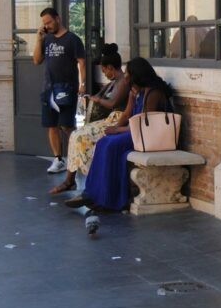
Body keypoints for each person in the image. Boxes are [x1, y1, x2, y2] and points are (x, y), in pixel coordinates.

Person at [64, 58, 173, 215]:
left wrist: (118, 131)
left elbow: (143, 124)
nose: (126, 77)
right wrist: (114, 127)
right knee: (102, 142)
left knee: (111, 146)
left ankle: (110, 200)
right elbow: (128, 114)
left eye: (128, 74)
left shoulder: (153, 93)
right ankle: (93, 194)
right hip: (136, 133)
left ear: (138, 75)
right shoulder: (135, 91)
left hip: (148, 136)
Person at [50, 43, 129, 195]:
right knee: (75, 135)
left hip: (117, 120)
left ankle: (90, 183)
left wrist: (98, 100)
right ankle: (70, 180)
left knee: (81, 138)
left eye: (104, 70)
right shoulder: (113, 83)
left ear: (111, 68)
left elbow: (113, 103)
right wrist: (99, 93)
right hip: (110, 119)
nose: (104, 73)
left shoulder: (124, 82)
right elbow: (100, 95)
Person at [32, 7, 86, 174]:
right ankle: (58, 159)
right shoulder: (46, 39)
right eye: (44, 23)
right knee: (51, 125)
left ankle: (77, 156)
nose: (46, 26)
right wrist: (39, 40)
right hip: (49, 89)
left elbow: (82, 63)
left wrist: (82, 84)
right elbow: (36, 60)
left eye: (48, 22)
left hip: (66, 88)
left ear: (58, 18)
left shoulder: (72, 39)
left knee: (66, 125)